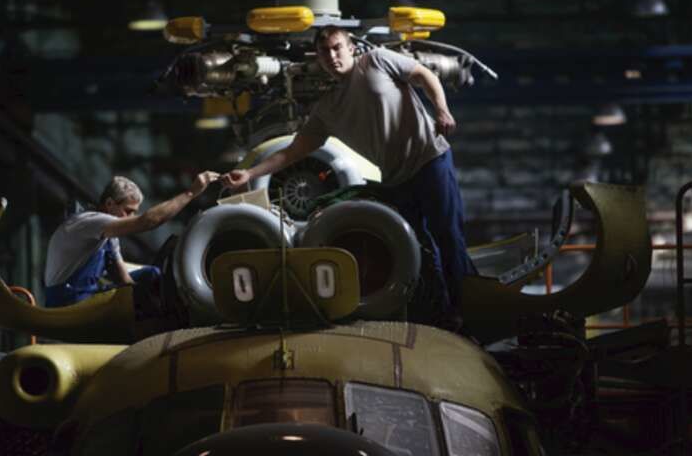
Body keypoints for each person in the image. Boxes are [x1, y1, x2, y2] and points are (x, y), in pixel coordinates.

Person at [222, 26, 475, 326]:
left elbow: (423, 74)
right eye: (324, 52)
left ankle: (472, 308)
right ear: (318, 58)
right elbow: (293, 152)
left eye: (337, 47)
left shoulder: (378, 60)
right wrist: (249, 172)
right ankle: (443, 315)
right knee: (418, 248)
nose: (332, 56)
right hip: (396, 179)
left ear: (351, 48)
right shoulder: (327, 108)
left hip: (429, 159)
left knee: (448, 236)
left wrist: (441, 109)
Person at [44, 172, 219, 308]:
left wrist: (147, 298)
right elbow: (148, 222)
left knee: (151, 274)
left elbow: (124, 279)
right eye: (128, 211)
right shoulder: (90, 222)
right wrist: (190, 193)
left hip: (86, 293)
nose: (131, 217)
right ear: (110, 204)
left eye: (134, 212)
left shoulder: (109, 234)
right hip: (66, 299)